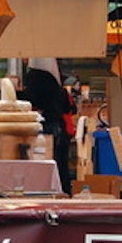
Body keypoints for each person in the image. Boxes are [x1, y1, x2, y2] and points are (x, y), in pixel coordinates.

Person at [23, 58, 76, 195]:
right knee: (61, 169)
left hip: (48, 130)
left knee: (48, 167)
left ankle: (55, 194)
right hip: (60, 129)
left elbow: (31, 100)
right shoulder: (54, 80)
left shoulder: (36, 78)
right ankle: (64, 195)